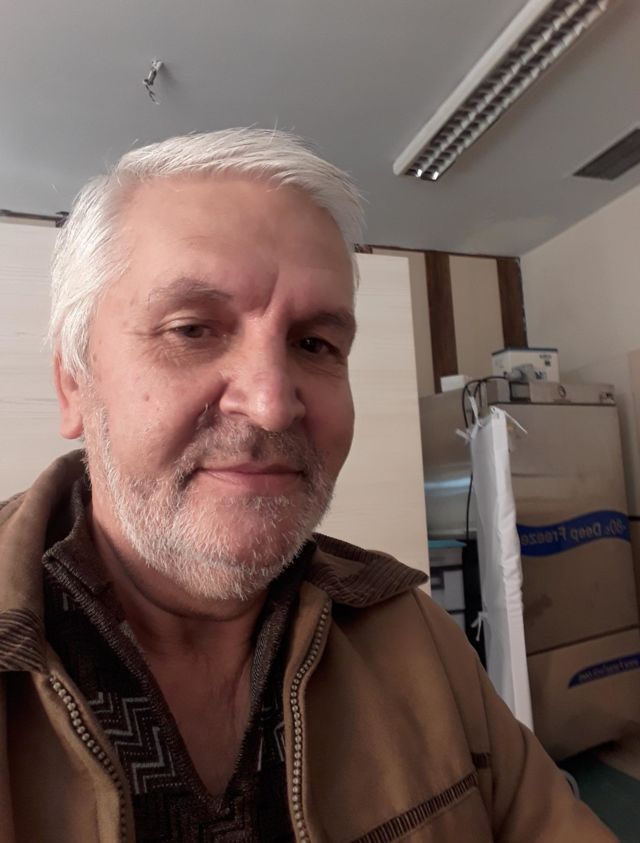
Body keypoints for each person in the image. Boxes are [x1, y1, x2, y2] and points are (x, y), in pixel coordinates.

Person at [0, 128, 615, 843]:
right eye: (192, 329)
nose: (271, 404)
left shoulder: (415, 641)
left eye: (315, 344)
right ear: (74, 383)